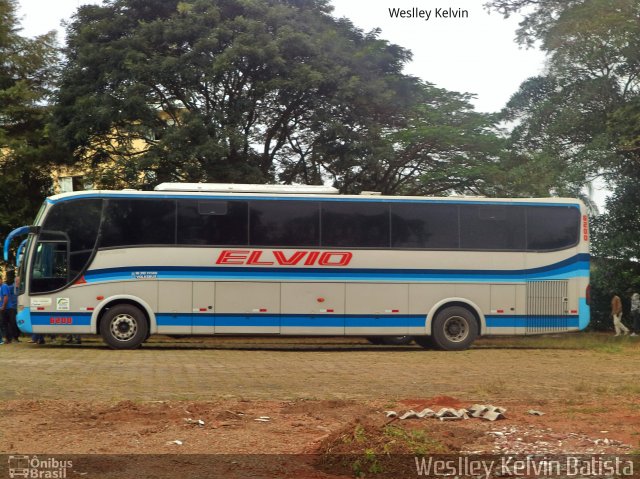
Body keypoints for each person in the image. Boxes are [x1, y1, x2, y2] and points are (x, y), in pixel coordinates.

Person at [0, 274, 18, 343]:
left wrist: (3, 306)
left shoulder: (4, 286)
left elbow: (6, 297)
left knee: (9, 323)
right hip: (5, 308)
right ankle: (9, 338)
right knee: (5, 323)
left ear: (1, 280)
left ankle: (12, 338)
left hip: (8, 308)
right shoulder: (1, 287)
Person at [5, 271, 19, 342]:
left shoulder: (21, 288)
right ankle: (13, 337)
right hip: (12, 308)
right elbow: (6, 295)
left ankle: (16, 337)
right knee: (13, 323)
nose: (19, 281)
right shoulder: (10, 288)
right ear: (15, 281)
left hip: (19, 308)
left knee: (18, 323)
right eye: (18, 280)